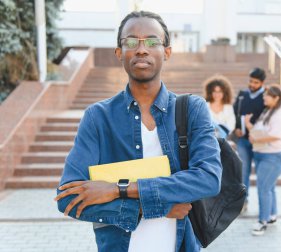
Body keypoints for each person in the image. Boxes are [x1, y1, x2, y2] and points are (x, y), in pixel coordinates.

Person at [54, 11, 222, 252]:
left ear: (167, 51)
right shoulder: (98, 117)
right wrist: (154, 207)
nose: (142, 49)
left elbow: (209, 178)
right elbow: (67, 198)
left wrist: (116, 190)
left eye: (152, 42)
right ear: (119, 53)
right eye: (131, 42)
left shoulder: (192, 109)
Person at [244, 84, 281, 236]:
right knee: (269, 187)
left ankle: (262, 221)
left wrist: (255, 138)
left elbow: (276, 135)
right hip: (263, 153)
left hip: (273, 155)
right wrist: (248, 125)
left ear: (276, 98)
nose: (263, 98)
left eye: (267, 96)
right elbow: (261, 130)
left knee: (263, 188)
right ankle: (271, 216)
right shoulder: (269, 111)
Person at [232, 68, 266, 210]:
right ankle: (243, 201)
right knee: (243, 172)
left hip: (259, 142)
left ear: (262, 83)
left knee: (261, 173)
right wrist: (236, 128)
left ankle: (264, 204)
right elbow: (233, 113)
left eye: (256, 82)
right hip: (243, 141)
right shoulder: (242, 95)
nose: (252, 84)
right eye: (251, 81)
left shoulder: (266, 96)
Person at [203, 74, 235, 138]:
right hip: (208, 138)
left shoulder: (228, 107)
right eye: (214, 91)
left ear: (224, 93)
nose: (217, 94)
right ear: (210, 92)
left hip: (225, 138)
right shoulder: (205, 106)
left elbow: (231, 125)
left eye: (220, 91)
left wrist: (221, 132)